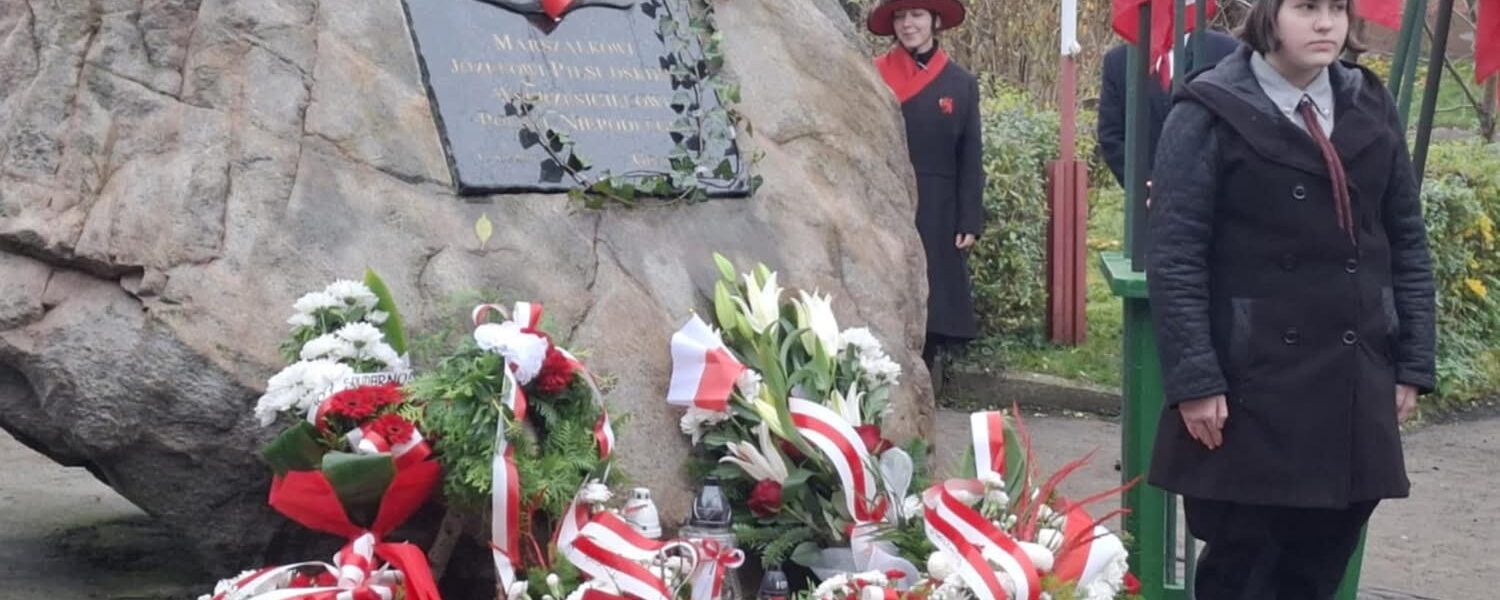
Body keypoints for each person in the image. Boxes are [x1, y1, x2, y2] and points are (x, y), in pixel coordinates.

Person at [1146, 0, 1435, 598]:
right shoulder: (1208, 110)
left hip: (1353, 379)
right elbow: (1175, 256)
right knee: (1243, 569)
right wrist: (1195, 380)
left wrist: (1412, 361)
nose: (1326, 23)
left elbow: (1405, 238)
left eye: (1337, 8)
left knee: (1318, 568)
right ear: (1268, 16)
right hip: (1250, 385)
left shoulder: (1369, 102)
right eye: (1306, 7)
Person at [867, 0, 984, 379]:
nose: (908, 24)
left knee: (932, 304)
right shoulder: (873, 75)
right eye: (900, 16)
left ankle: (923, 384)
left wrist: (969, 219)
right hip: (883, 201)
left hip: (938, 208)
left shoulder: (961, 84)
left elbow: (970, 156)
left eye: (916, 15)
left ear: (935, 21)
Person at [1097, 29, 1241, 187]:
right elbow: (1111, 135)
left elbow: (1239, 128)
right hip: (1147, 197)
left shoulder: (1225, 51)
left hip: (1213, 194)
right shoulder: (1119, 61)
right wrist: (1146, 186)